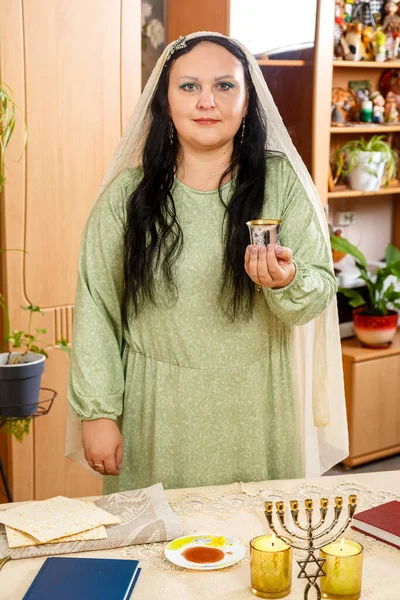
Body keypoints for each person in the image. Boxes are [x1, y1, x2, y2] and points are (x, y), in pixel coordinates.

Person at [66, 32, 348, 493]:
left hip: (256, 408)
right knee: (155, 556)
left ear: (248, 97)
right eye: (189, 86)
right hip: (154, 412)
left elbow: (315, 292)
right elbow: (97, 305)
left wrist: (287, 279)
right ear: (165, 99)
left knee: (257, 551)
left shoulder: (283, 184)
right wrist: (98, 412)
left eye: (224, 85)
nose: (206, 102)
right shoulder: (127, 197)